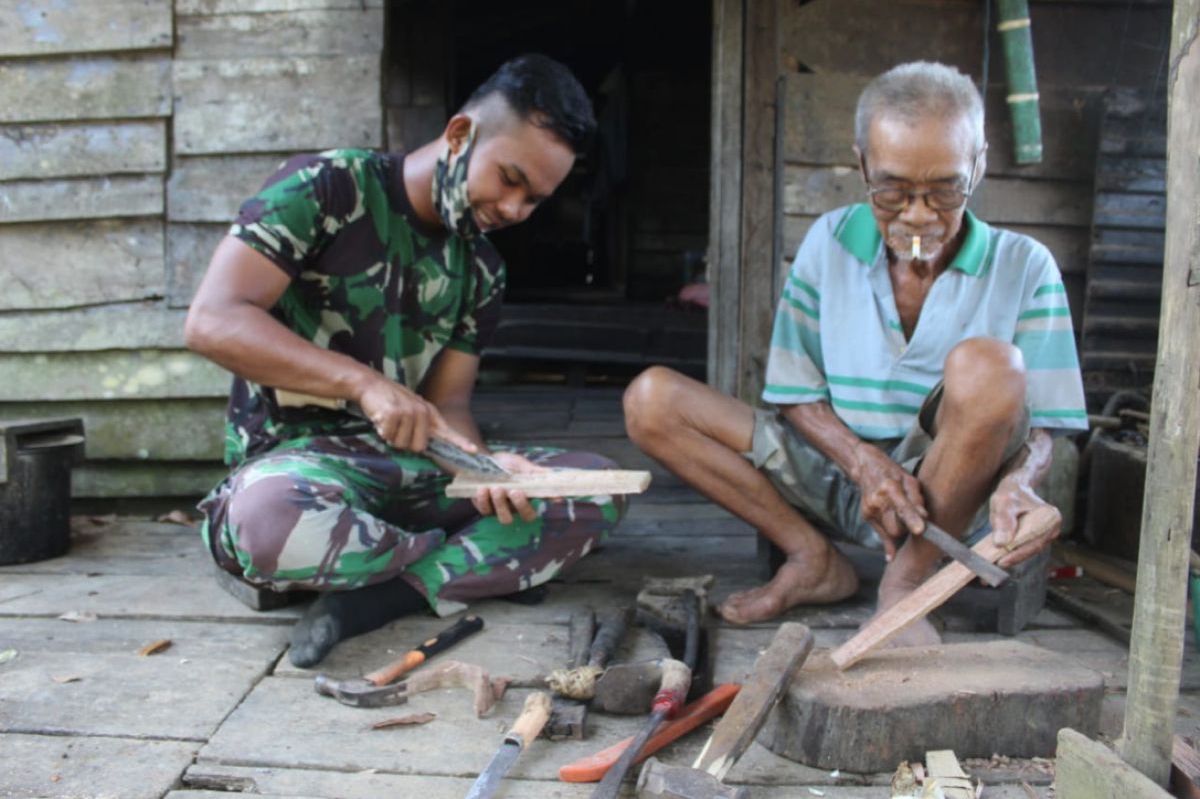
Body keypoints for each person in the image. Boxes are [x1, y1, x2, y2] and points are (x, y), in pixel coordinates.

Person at [185, 54, 626, 667]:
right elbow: (211, 321)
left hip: (413, 470)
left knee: (595, 485)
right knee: (265, 520)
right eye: (509, 179)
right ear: (459, 135)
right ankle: (474, 562)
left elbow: (449, 405)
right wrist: (364, 385)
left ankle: (378, 596)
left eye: (536, 200)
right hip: (299, 468)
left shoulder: (481, 269)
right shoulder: (328, 187)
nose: (515, 210)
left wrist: (483, 469)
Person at [624, 61, 1086, 642]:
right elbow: (795, 395)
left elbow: (1045, 426)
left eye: (945, 189)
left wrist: (1023, 482)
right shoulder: (829, 240)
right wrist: (864, 461)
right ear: (862, 162)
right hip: (842, 474)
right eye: (892, 190)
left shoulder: (1025, 265)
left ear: (979, 163)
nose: (918, 215)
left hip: (955, 504)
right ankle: (811, 557)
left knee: (992, 368)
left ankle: (907, 583)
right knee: (653, 400)